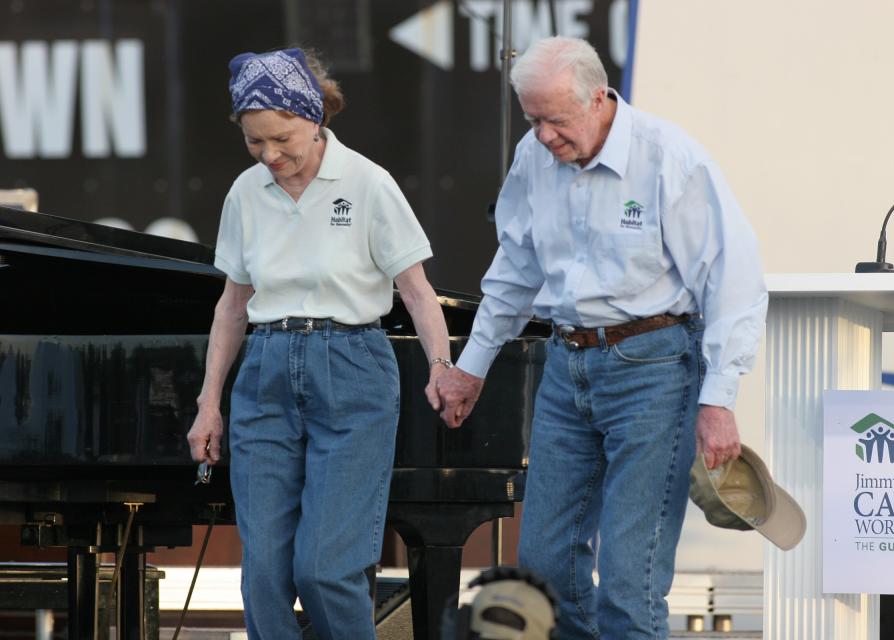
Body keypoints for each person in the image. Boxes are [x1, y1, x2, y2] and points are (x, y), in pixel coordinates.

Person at [435, 37, 767, 639]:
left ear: (598, 99)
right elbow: (514, 269)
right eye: (532, 119)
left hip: (657, 367)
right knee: (543, 566)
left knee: (628, 580)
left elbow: (733, 279)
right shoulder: (533, 157)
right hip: (565, 365)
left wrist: (719, 398)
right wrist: (471, 366)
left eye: (554, 121)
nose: (542, 136)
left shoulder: (670, 157)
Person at [186, 48, 451, 640]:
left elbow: (417, 291)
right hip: (266, 367)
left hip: (351, 364)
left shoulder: (367, 183)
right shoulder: (245, 192)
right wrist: (209, 403)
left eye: (281, 139)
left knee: (326, 569)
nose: (270, 155)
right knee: (263, 575)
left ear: (315, 117)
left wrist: (440, 366)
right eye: (255, 143)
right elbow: (232, 305)